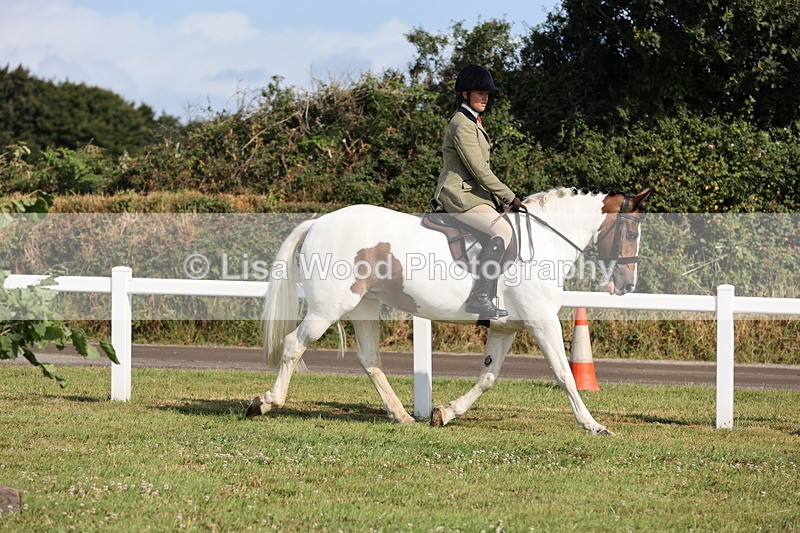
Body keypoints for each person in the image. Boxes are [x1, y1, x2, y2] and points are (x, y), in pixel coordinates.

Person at [433, 63, 526, 320]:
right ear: (464, 94)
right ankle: (479, 297)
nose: (485, 96)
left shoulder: (472, 121)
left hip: (475, 196)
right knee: (502, 230)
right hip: (459, 196)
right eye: (479, 92)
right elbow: (479, 171)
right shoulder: (462, 123)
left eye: (487, 93)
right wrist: (510, 197)